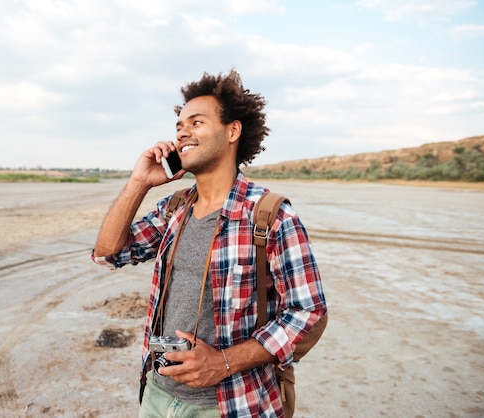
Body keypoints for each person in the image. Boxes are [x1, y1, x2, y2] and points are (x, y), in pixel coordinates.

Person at [92, 70, 327, 418]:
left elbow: (309, 313)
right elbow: (108, 253)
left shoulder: (270, 216)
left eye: (196, 122)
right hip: (157, 394)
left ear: (232, 131)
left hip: (230, 404)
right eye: (179, 126)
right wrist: (139, 182)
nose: (182, 132)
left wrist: (223, 362)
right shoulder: (174, 209)